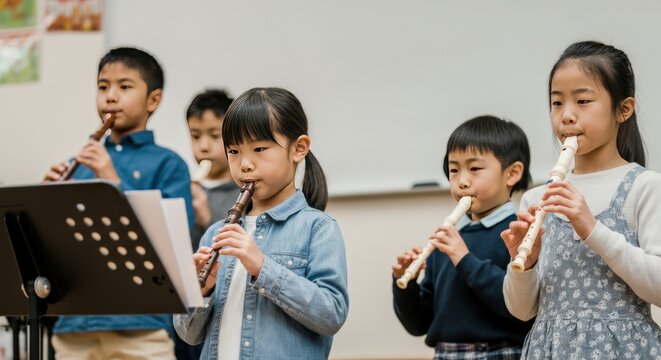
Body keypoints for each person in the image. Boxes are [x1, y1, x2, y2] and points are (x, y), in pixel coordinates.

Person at [502, 41, 661, 358]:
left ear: (623, 109)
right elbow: (521, 311)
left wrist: (592, 229)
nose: (567, 116)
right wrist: (525, 264)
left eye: (583, 101)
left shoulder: (645, 187)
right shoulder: (537, 197)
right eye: (557, 103)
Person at [174, 87, 349, 360]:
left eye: (259, 149)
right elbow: (189, 334)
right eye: (233, 150)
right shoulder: (214, 233)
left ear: (298, 149)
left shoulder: (318, 228)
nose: (244, 164)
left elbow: (331, 315)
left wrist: (263, 267)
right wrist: (200, 292)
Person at [44, 47, 193, 359]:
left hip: (142, 323)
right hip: (75, 324)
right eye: (102, 87)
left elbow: (173, 241)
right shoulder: (79, 165)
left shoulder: (169, 164)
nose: (110, 97)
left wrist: (112, 180)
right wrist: (48, 201)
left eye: (125, 87)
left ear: (154, 100)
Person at [392, 115, 534, 359]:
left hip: (501, 352)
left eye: (475, 169)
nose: (462, 181)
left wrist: (465, 259)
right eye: (454, 170)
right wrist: (405, 285)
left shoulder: (521, 234)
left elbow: (519, 309)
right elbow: (419, 325)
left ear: (512, 174)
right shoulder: (448, 240)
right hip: (447, 353)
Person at [186, 89, 240, 250]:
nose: (203, 147)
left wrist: (207, 218)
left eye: (215, 135)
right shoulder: (183, 187)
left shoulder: (244, 194)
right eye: (195, 136)